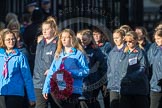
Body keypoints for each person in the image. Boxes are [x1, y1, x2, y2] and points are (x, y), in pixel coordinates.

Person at [42, 29, 89, 108]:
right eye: (62, 37)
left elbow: (85, 71)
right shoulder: (58, 54)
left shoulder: (78, 54)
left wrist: (71, 73)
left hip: (73, 90)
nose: (63, 39)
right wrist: (46, 88)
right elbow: (51, 72)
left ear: (71, 38)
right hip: (58, 90)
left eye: (66, 37)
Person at [0, 29, 36, 108]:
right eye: (8, 39)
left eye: (13, 39)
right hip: (1, 92)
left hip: (15, 93)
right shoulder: (0, 56)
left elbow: (27, 78)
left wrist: (31, 97)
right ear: (3, 41)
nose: (11, 41)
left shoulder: (20, 56)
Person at [77, 29, 107, 108]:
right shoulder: (78, 50)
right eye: (81, 40)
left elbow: (102, 66)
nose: (82, 42)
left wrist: (104, 82)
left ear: (90, 39)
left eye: (84, 40)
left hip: (93, 80)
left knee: (92, 101)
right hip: (83, 81)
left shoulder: (95, 50)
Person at [33, 16, 58, 108]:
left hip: (54, 82)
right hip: (38, 81)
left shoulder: (59, 43)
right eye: (43, 29)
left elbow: (62, 61)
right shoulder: (40, 43)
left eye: (47, 29)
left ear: (53, 29)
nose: (44, 31)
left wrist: (52, 71)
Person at [120, 31, 149, 108]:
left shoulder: (140, 52)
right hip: (125, 90)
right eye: (126, 41)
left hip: (138, 89)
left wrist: (130, 77)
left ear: (136, 40)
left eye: (130, 41)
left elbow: (142, 68)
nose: (128, 43)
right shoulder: (123, 53)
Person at [92, 26, 112, 108]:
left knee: (106, 100)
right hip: (95, 77)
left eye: (98, 34)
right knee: (93, 99)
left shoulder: (107, 46)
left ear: (102, 35)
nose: (96, 36)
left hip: (104, 77)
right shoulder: (91, 46)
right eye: (94, 34)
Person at [107, 28, 125, 108]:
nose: (116, 40)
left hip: (124, 86)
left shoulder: (127, 51)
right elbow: (109, 69)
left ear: (123, 38)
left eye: (117, 38)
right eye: (114, 38)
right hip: (113, 86)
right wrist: (109, 79)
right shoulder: (112, 52)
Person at [147, 29, 162, 108]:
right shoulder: (154, 49)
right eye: (155, 39)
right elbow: (148, 64)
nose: (157, 41)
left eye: (159, 39)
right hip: (155, 85)